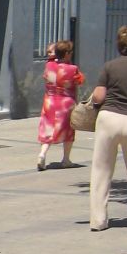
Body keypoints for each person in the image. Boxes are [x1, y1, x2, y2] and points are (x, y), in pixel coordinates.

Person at [88, 24, 127, 231]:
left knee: (101, 169)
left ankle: (98, 220)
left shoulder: (109, 66)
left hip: (108, 118)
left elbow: (98, 96)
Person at [37, 39, 84, 170]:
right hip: (66, 102)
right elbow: (79, 81)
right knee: (68, 130)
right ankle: (66, 159)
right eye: (70, 52)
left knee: (47, 128)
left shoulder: (49, 66)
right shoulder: (72, 69)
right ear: (67, 53)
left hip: (50, 101)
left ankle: (42, 154)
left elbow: (45, 77)